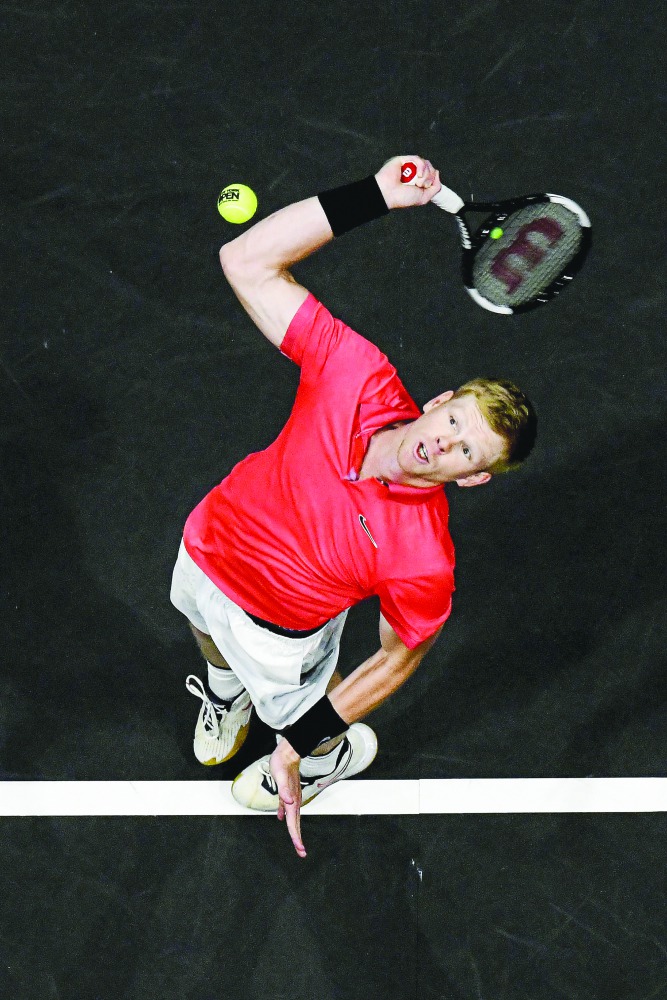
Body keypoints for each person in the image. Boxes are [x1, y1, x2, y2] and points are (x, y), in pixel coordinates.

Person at [170, 155, 537, 858]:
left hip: (279, 637)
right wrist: (372, 196)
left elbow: (398, 659)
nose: (444, 445)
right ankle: (224, 692)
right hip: (205, 542)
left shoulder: (421, 556)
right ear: (436, 403)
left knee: (295, 705)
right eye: (454, 422)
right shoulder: (354, 373)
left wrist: (298, 743)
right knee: (197, 620)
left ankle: (327, 757)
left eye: (468, 453)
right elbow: (245, 260)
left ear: (473, 480)